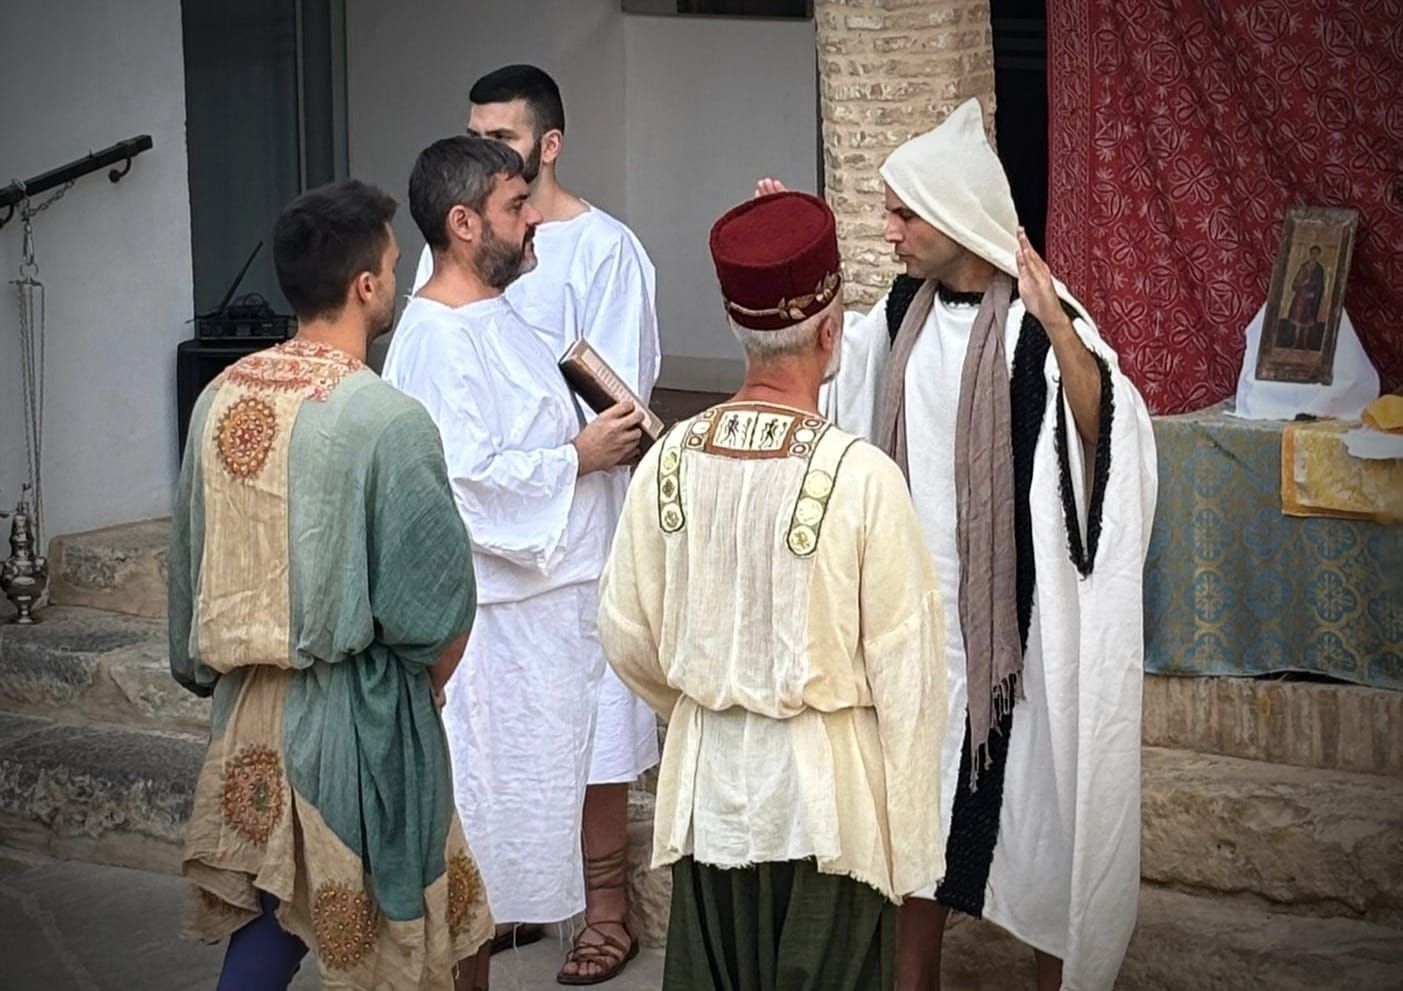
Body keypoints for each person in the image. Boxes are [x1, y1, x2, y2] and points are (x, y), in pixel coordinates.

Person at [760, 97, 1158, 990]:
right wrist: (790, 253)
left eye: (904, 215)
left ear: (951, 217)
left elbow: (1107, 436)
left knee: (1044, 832)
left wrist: (1060, 329)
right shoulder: (901, 312)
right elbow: (831, 375)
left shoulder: (1038, 324)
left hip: (1019, 638)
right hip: (915, 626)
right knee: (916, 830)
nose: (890, 232)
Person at [597, 191, 949, 990]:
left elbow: (623, 634)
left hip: (709, 801)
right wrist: (910, 849)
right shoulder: (862, 477)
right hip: (828, 813)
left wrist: (710, 697)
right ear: (830, 333)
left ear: (735, 326)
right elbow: (909, 679)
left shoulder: (666, 459)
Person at [170, 178, 492, 990]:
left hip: (248, 713)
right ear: (366, 285)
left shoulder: (217, 399)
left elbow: (189, 565)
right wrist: (426, 686)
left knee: (272, 914)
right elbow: (439, 607)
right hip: (358, 715)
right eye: (394, 264)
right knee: (396, 936)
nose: (398, 279)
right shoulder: (386, 418)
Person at [411, 67, 662, 980]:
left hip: (575, 551)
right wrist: (570, 458)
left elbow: (610, 392)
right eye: (477, 138)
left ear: (548, 145)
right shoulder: (450, 310)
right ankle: (495, 913)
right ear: (464, 222)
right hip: (510, 577)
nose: (491, 154)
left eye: (504, 140)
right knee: (501, 769)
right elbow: (465, 464)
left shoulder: (598, 252)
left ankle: (599, 906)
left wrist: (589, 450)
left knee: (590, 737)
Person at [1286, 245, 1327, 349]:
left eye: (1316, 253)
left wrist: (1314, 294)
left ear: (1319, 255)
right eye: (1312, 253)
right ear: (1310, 253)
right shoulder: (1304, 267)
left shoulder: (1319, 269)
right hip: (1301, 297)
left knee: (1307, 322)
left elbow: (1320, 285)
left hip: (1311, 300)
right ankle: (1296, 342)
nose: (1314, 255)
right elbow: (1295, 284)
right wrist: (1304, 283)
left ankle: (1304, 344)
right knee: (1298, 320)